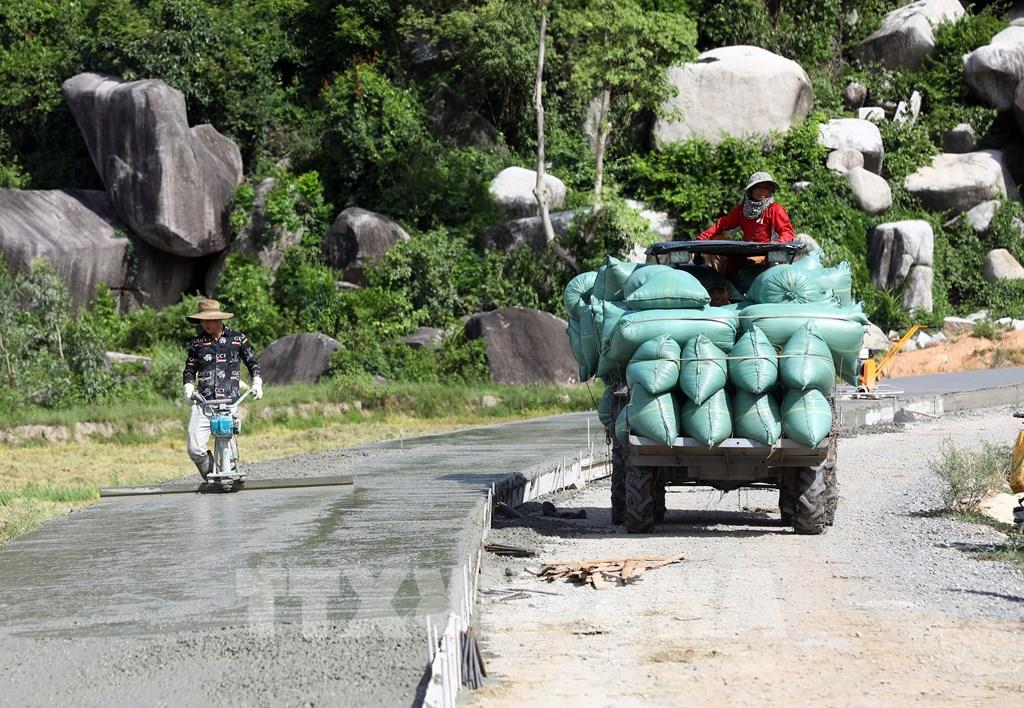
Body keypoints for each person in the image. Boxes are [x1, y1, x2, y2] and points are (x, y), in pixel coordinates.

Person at [182, 299, 263, 479]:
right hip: (204, 402)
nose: (205, 324)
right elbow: (189, 369)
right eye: (202, 321)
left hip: (228, 404)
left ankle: (229, 478)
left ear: (218, 319)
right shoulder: (197, 343)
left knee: (229, 453)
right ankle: (213, 475)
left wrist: (257, 382)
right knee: (194, 448)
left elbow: (252, 362)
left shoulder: (237, 339)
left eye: (209, 320)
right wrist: (188, 386)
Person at [697, 171, 795, 243]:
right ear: (751, 190)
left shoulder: (775, 210)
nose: (762, 191)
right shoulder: (742, 210)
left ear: (770, 191)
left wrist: (778, 243)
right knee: (716, 239)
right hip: (747, 253)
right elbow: (721, 225)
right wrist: (702, 238)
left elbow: (787, 232)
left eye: (766, 188)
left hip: (768, 255)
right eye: (758, 187)